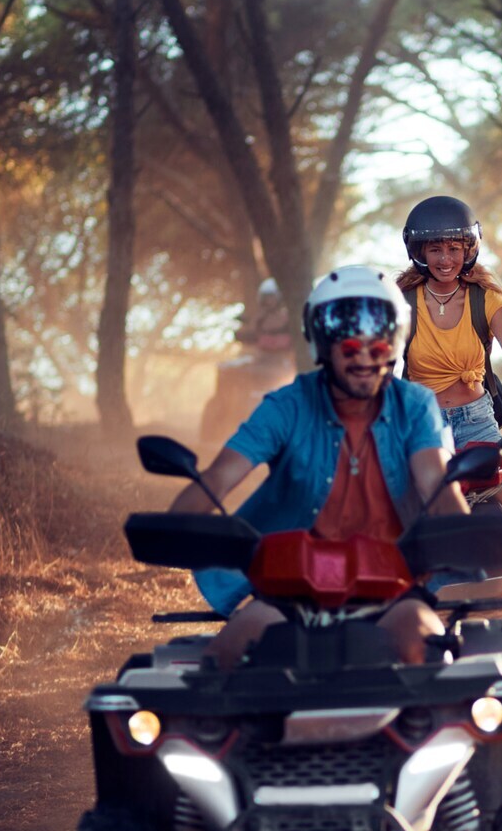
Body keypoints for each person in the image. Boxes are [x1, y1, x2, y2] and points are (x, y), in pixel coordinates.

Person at [174, 266, 466, 670]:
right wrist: (176, 526)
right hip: (287, 591)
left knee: (430, 653)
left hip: (393, 588)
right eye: (348, 344)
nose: (364, 355)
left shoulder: (415, 405)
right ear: (323, 345)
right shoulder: (286, 405)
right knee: (223, 663)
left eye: (377, 343)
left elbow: (436, 484)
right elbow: (219, 477)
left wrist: (463, 532)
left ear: (394, 342)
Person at [396, 196, 502, 527]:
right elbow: (379, 369)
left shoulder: (485, 298)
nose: (446, 259)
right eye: (435, 250)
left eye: (454, 249)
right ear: (419, 253)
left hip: (478, 425)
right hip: (423, 429)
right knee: (411, 521)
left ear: (468, 250)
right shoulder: (401, 304)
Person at [199, 277, 295, 451]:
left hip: (281, 361)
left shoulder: (288, 318)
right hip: (259, 359)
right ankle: (223, 409)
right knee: (227, 369)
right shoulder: (258, 318)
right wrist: (242, 334)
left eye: (272, 297)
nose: (269, 301)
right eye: (266, 298)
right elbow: (248, 333)